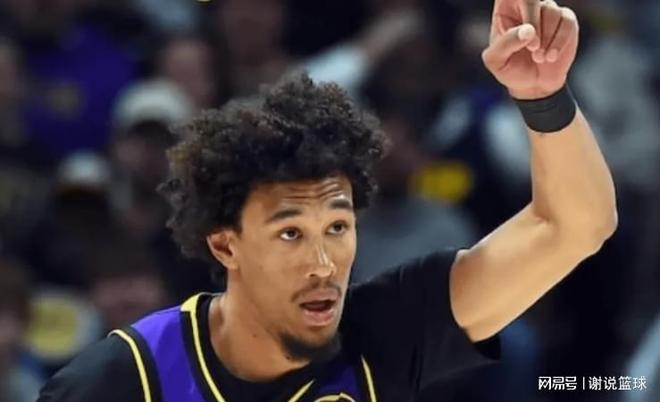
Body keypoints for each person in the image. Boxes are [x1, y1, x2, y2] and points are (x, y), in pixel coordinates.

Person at [37, 0, 617, 401]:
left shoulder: (381, 332)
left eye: (336, 227)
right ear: (226, 244)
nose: (323, 264)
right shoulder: (125, 379)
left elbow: (575, 226)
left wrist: (543, 97)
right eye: (291, 233)